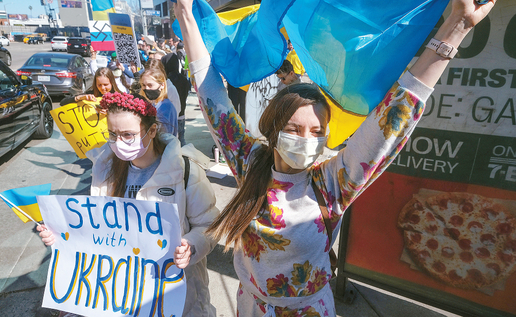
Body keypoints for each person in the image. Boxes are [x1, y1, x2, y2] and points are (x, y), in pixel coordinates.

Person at [174, 0, 495, 315]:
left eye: (317, 132)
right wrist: (186, 14)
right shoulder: (249, 161)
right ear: (273, 130)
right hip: (250, 306)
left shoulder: (332, 183)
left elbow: (394, 118)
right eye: (294, 129)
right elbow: (212, 96)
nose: (305, 140)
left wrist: (457, 28)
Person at [39, 91, 219, 317]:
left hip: (174, 296)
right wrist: (61, 235)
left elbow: (211, 225)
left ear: (152, 131)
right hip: (122, 294)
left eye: (128, 135)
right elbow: (94, 229)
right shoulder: (104, 169)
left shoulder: (185, 172)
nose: (118, 142)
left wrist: (191, 246)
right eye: (112, 134)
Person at [139, 59, 178, 136]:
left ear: (162, 85)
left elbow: (163, 134)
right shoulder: (152, 103)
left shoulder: (165, 106)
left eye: (150, 85)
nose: (146, 88)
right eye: (143, 85)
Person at [162, 52, 191, 145]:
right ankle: (185, 158)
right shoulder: (184, 79)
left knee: (172, 144)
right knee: (181, 140)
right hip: (182, 115)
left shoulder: (167, 81)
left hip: (170, 117)